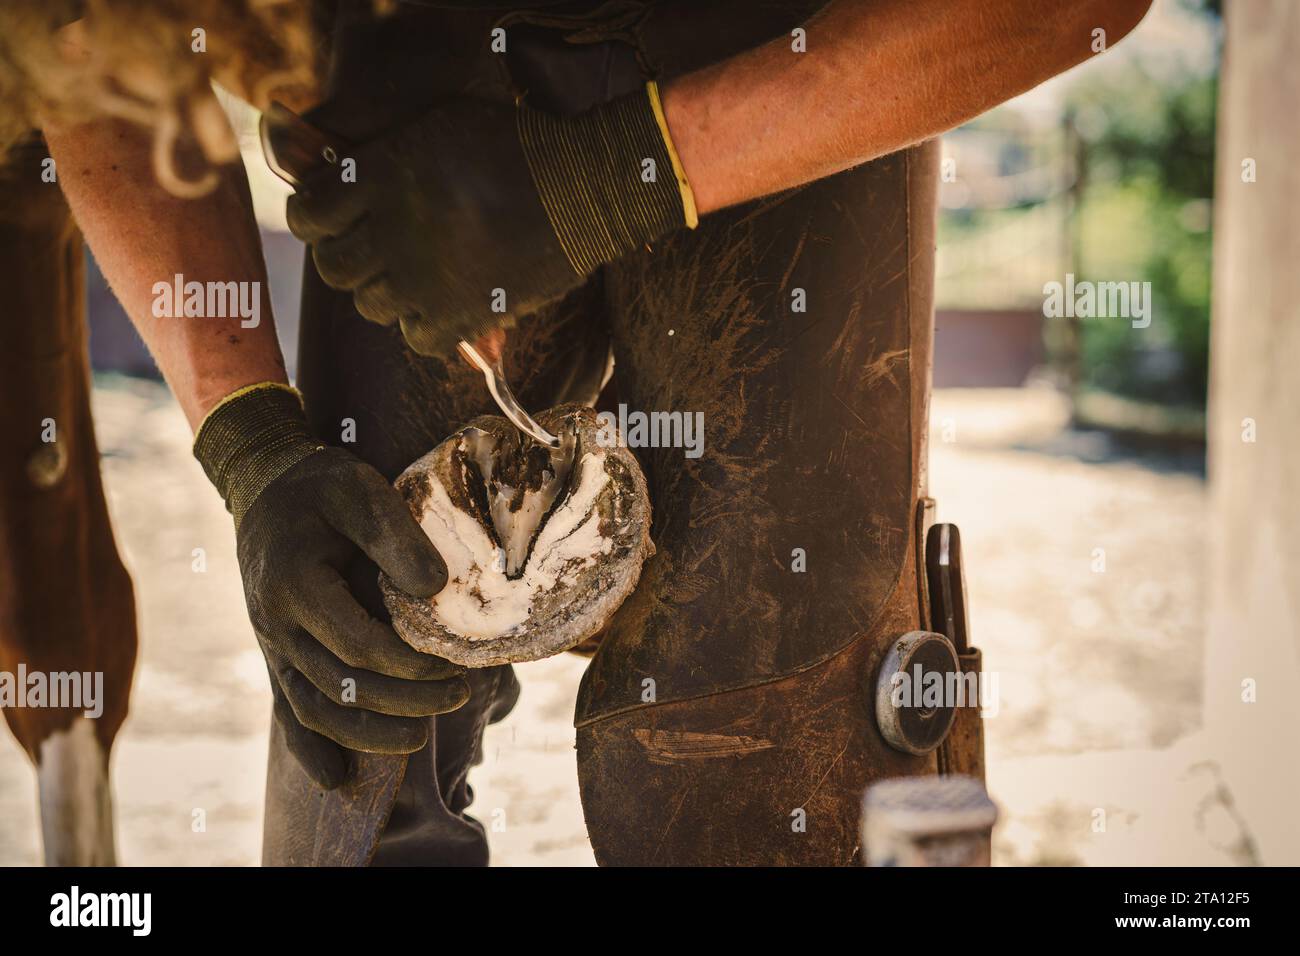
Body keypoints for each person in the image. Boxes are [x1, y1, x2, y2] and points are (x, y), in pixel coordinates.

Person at [42, 0, 1152, 865]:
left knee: (765, 773)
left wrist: (606, 183)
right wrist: (252, 444)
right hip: (402, 120)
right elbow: (83, 33)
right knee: (358, 733)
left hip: (787, 74)